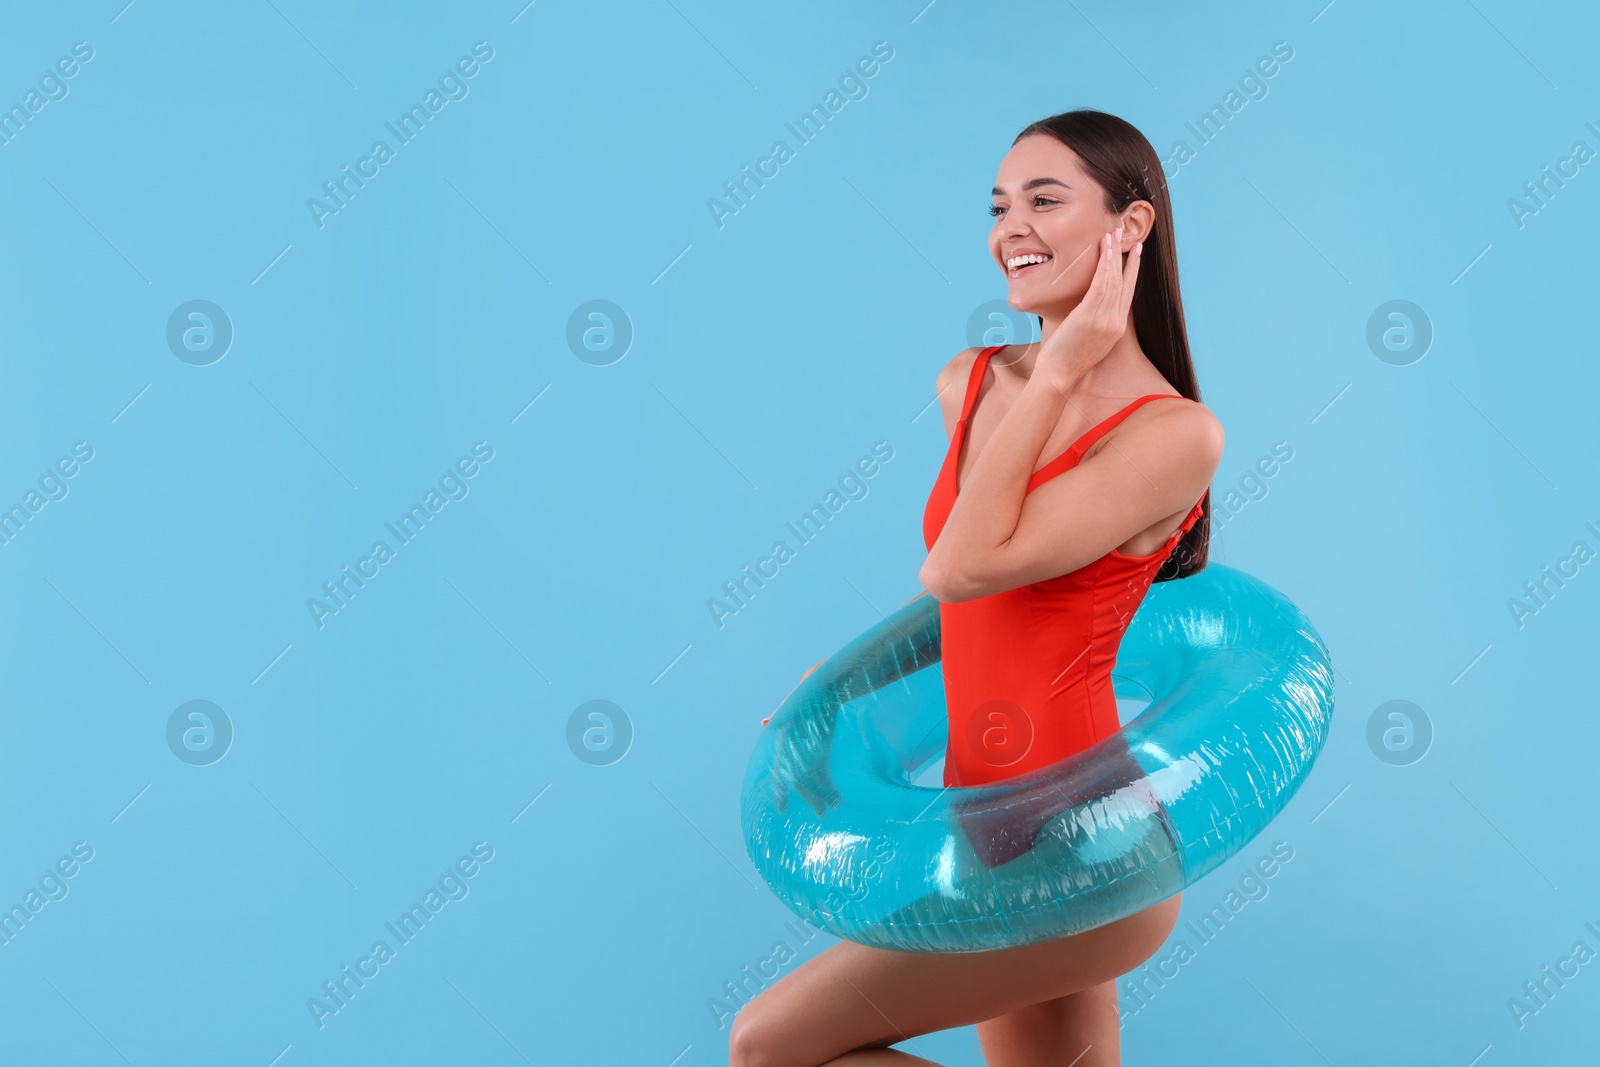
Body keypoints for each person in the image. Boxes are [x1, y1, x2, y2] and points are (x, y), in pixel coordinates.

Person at [728, 108, 1225, 1067]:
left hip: (1087, 842)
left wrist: (1064, 370)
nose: (1012, 229)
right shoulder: (971, 380)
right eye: (1000, 206)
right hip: (977, 819)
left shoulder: (1175, 437)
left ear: (1131, 227)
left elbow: (962, 563)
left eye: (1046, 200)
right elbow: (973, 597)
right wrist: (839, 688)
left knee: (768, 1047)